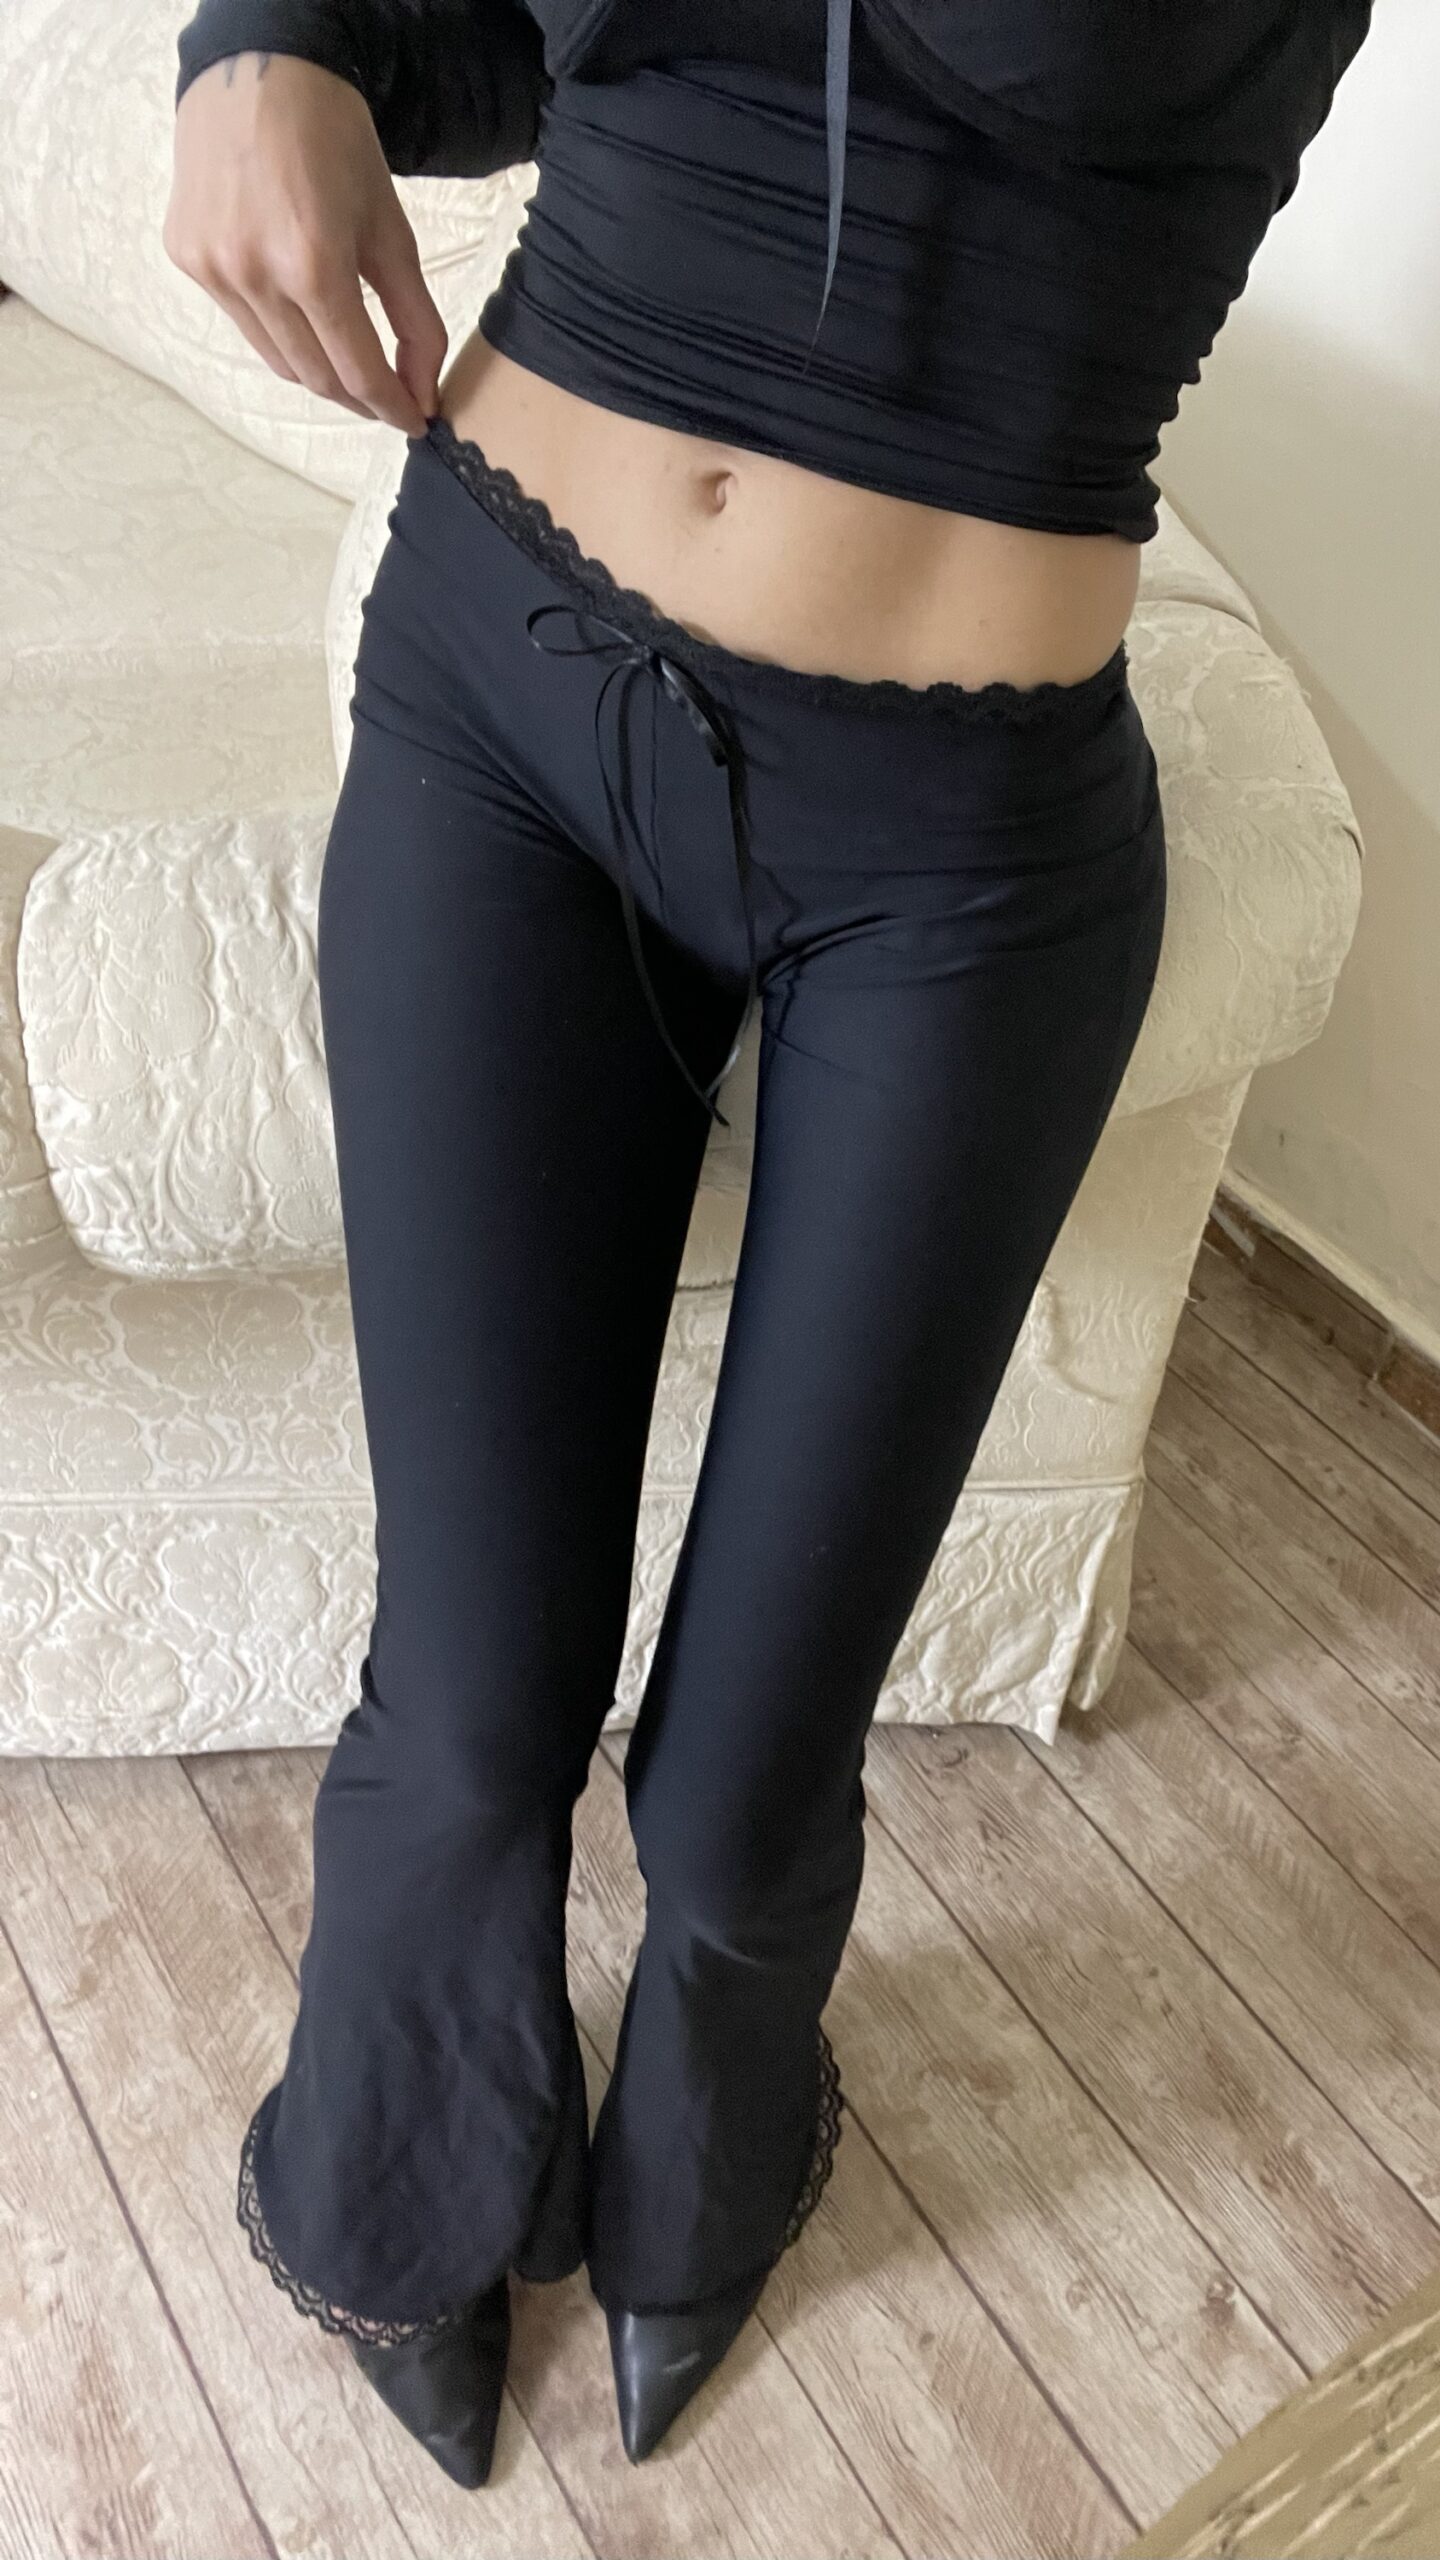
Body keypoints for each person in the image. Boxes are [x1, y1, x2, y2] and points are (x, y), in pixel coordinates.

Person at [166, 0, 1373, 2490]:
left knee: (738, 1786)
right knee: (469, 1704)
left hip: (964, 861)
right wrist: (265, 40)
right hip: (504, 684)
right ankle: (399, 2156)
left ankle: (715, 2130)